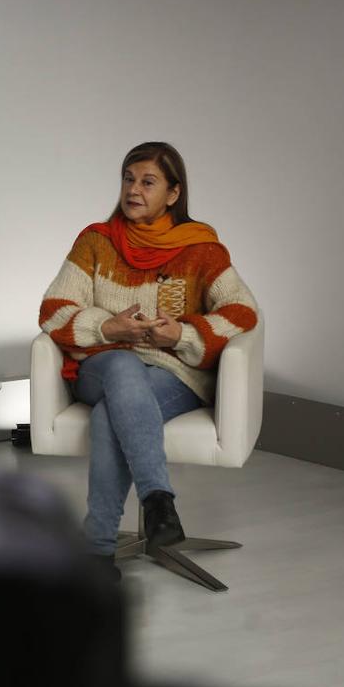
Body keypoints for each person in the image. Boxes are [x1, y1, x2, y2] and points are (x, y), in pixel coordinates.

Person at [38, 142, 258, 580]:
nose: (133, 190)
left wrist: (184, 334)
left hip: (172, 373)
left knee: (108, 416)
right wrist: (109, 329)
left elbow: (241, 310)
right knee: (122, 367)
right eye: (128, 179)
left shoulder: (201, 250)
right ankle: (159, 501)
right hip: (103, 364)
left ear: (173, 194)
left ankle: (98, 550)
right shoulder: (96, 242)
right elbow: (53, 310)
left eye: (147, 181)